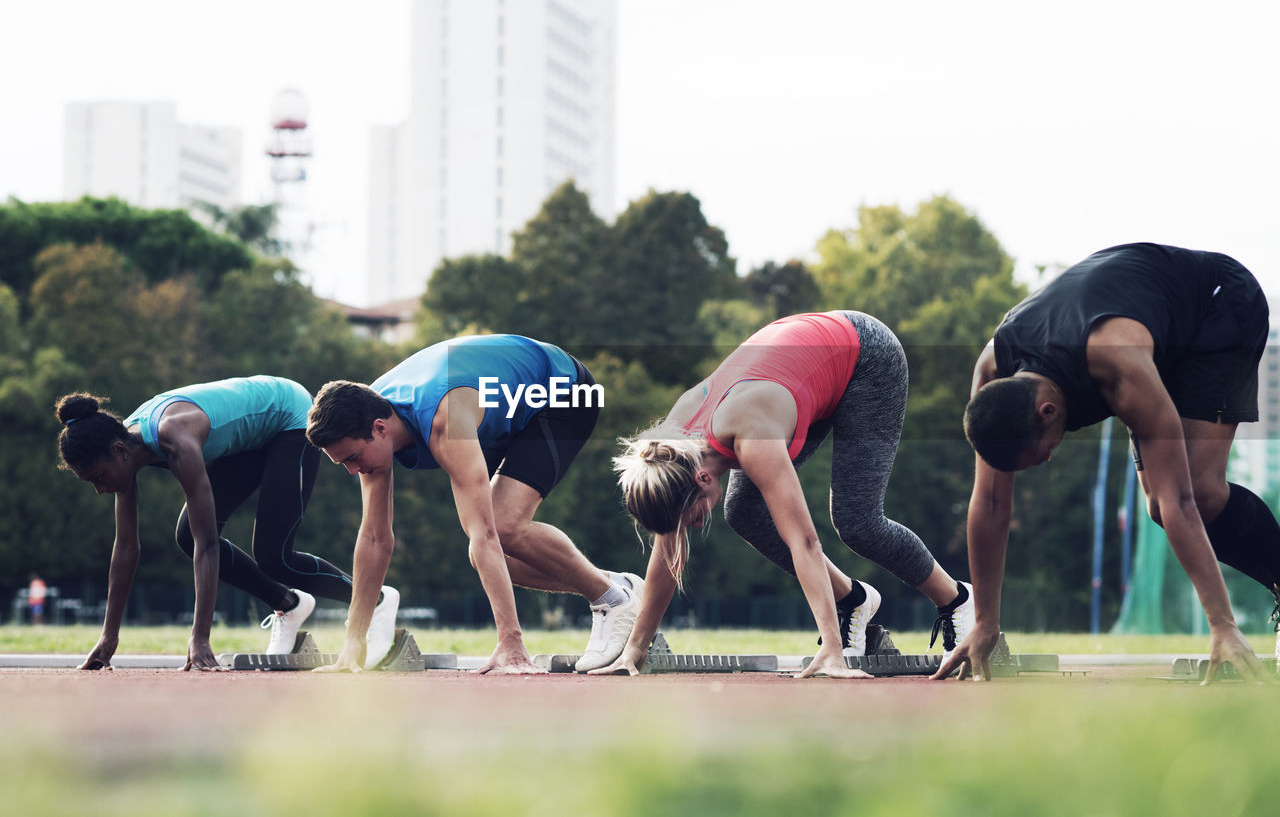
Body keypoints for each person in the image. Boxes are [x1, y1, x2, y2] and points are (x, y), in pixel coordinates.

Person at [941, 242, 1277, 683]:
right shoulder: (992, 375)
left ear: (1047, 412)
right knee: (1157, 509)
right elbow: (989, 503)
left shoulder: (1116, 362)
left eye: (1038, 455)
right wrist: (985, 622)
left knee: (1198, 492)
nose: (1043, 463)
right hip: (1149, 320)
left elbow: (1183, 501)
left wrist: (1222, 626)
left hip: (1217, 305)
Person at [607, 310, 975, 678]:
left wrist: (832, 649)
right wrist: (636, 647)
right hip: (803, 367)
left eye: (692, 516)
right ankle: (853, 602)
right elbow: (667, 550)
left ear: (702, 478)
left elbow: (804, 541)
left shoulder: (752, 434)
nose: (694, 525)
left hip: (865, 356)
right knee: (744, 513)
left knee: (857, 522)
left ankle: (957, 601)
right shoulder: (672, 449)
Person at [304, 334, 642, 674]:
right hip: (497, 404)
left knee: (501, 527)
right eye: (342, 464)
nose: (352, 470)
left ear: (380, 429)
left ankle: (613, 600)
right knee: (486, 557)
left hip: (560, 393)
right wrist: (353, 642)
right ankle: (618, 589)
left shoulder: (445, 422)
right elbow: (375, 539)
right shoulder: (368, 416)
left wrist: (510, 640)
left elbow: (487, 533)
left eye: (352, 458)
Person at [55, 376, 399, 672]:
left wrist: (200, 640)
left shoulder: (175, 437)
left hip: (288, 417)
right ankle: (289, 604)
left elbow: (209, 544)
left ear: (119, 452)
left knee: (274, 555)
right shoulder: (121, 450)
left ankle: (376, 597)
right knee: (186, 536)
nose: (100, 489)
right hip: (247, 440)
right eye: (92, 483)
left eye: (99, 477)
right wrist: (108, 637)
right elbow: (126, 548)